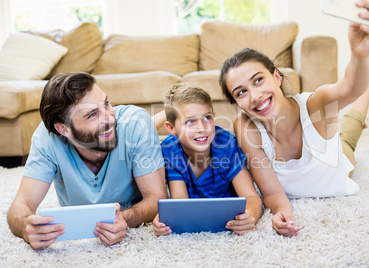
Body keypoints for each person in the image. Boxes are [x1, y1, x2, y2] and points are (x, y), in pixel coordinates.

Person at [218, 0, 369, 237]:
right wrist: (281, 211)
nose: (255, 96)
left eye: (258, 80)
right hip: (323, 140)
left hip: (336, 165)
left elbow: (349, 88)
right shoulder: (245, 125)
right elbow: (271, 193)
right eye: (241, 92)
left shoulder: (315, 105)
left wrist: (360, 55)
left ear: (276, 77)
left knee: (348, 139)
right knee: (346, 131)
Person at [7, 72, 168, 249]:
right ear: (63, 129)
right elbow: (21, 204)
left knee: (137, 127)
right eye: (92, 115)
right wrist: (26, 228)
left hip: (135, 131)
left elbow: (158, 198)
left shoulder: (135, 123)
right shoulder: (47, 139)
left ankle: (167, 114)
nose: (110, 118)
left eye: (106, 104)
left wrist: (126, 218)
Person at [152, 83, 262, 236]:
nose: (202, 127)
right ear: (171, 129)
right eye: (190, 121)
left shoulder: (227, 144)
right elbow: (181, 205)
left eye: (207, 118)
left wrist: (250, 215)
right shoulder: (170, 150)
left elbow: (251, 196)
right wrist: (167, 220)